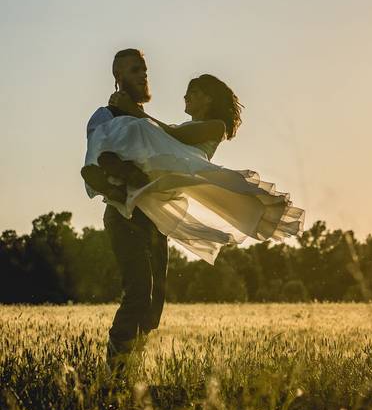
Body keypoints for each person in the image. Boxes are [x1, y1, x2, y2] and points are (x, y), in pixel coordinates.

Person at [83, 61, 305, 266]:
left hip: (185, 165)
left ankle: (119, 170)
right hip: (168, 167)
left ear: (208, 98)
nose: (185, 96)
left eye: (193, 93)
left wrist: (134, 111)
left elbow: (175, 135)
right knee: (134, 131)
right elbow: (169, 134)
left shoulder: (216, 126)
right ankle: (117, 180)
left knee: (140, 128)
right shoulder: (185, 125)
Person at [81, 48, 167, 375]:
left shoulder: (144, 119)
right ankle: (115, 375)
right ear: (118, 77)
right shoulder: (104, 116)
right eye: (134, 70)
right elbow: (97, 159)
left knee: (154, 302)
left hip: (154, 217)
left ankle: (133, 371)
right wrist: (127, 178)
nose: (142, 75)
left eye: (143, 69)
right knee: (138, 293)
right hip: (124, 215)